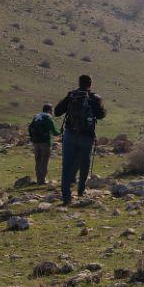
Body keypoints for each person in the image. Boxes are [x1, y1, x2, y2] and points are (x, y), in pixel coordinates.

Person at [53, 74, 107, 205]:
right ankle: (81, 191)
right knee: (85, 163)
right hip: (86, 136)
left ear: (79, 83)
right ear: (90, 84)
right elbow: (101, 115)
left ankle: (66, 197)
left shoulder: (72, 96)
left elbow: (57, 112)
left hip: (70, 134)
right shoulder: (94, 98)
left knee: (67, 165)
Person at [27, 103, 62, 185]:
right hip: (45, 142)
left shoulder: (36, 117)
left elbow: (30, 128)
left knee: (38, 160)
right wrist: (61, 131)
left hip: (36, 143)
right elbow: (55, 132)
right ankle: (42, 181)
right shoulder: (48, 118)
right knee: (44, 161)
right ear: (49, 110)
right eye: (52, 110)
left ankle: (39, 179)